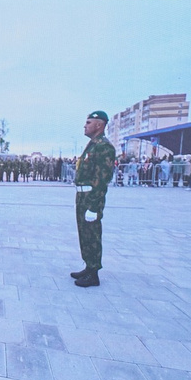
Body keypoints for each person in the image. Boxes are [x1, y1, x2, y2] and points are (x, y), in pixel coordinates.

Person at [69, 110, 116, 288]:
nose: (85, 125)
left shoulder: (104, 146)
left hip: (91, 197)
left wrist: (94, 207)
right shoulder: (93, 144)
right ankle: (88, 267)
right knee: (84, 234)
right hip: (82, 196)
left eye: (88, 122)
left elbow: (102, 179)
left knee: (93, 235)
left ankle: (94, 274)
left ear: (99, 125)